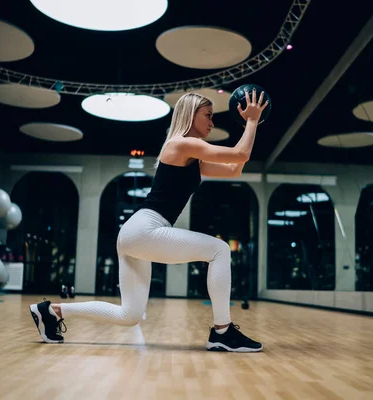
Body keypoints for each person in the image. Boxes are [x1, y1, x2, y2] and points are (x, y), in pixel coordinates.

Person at [30, 88, 269, 352]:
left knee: (129, 315)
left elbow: (235, 169)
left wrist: (251, 125)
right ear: (191, 115)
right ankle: (222, 332)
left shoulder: (192, 158)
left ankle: (51, 311)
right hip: (145, 229)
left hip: (137, 234)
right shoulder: (182, 143)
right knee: (220, 249)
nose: (212, 122)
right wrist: (252, 120)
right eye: (208, 115)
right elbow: (240, 154)